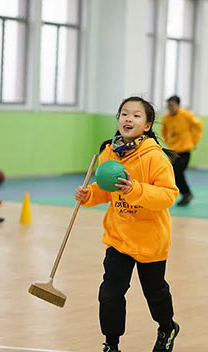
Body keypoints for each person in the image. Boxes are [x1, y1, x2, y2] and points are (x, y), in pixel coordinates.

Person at [75, 97, 180, 352]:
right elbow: (105, 190)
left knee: (155, 292)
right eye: (124, 114)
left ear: (147, 125)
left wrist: (135, 189)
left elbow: (168, 195)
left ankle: (167, 327)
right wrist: (89, 195)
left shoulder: (154, 157)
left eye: (136, 115)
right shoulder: (109, 151)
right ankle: (111, 344)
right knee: (110, 292)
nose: (128, 119)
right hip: (119, 237)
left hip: (150, 240)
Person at [161, 95, 203, 206]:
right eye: (168, 105)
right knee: (174, 173)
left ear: (178, 105)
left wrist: (194, 141)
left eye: (172, 105)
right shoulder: (166, 118)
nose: (170, 107)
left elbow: (198, 125)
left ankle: (186, 193)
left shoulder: (186, 115)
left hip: (184, 150)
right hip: (173, 151)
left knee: (177, 172)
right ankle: (185, 194)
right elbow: (164, 130)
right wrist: (167, 141)